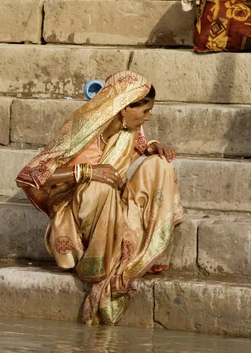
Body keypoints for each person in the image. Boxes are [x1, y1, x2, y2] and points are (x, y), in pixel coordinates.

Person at [16, 70, 184, 325]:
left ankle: (136, 253)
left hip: (114, 210)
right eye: (145, 111)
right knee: (98, 186)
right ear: (123, 109)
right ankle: (97, 263)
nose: (148, 118)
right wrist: (87, 171)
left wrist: (154, 148)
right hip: (76, 216)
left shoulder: (130, 131)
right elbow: (28, 175)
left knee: (159, 166)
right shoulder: (82, 129)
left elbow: (139, 145)